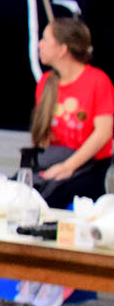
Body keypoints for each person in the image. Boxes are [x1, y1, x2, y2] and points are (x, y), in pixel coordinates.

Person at [32, 17, 114, 207]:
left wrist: (68, 167)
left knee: (51, 198)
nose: (40, 44)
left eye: (45, 39)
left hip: (89, 164)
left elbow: (103, 133)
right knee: (24, 192)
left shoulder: (97, 81)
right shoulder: (46, 82)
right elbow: (43, 136)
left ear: (62, 50)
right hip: (55, 157)